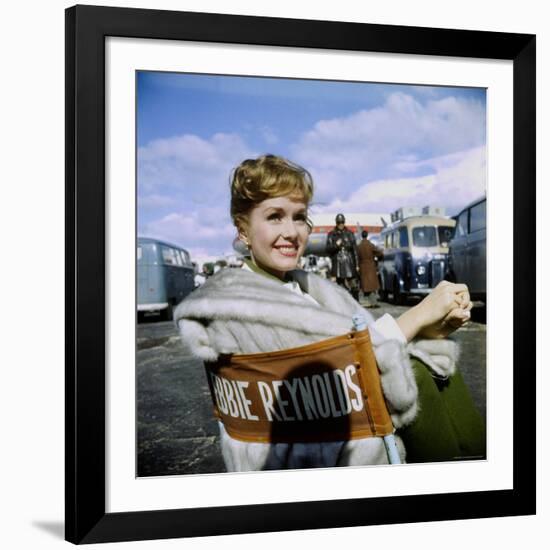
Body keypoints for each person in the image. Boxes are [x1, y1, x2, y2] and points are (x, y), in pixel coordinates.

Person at [174, 154, 484, 472]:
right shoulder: (241, 311)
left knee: (433, 358)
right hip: (328, 451)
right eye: (275, 217)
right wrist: (417, 317)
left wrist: (429, 329)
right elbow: (336, 378)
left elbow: (346, 350)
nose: (292, 232)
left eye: (299, 217)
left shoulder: (294, 287)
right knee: (420, 372)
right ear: (242, 229)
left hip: (336, 432)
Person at [326, 213, 360, 300]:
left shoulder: (350, 234)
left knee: (354, 284)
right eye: (339, 222)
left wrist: (357, 264)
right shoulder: (331, 234)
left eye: (342, 222)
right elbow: (328, 249)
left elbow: (355, 250)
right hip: (338, 262)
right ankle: (344, 303)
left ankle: (356, 302)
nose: (341, 224)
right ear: (336, 223)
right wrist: (336, 245)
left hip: (349, 261)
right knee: (340, 286)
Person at [357, 230, 384, 307]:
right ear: (367, 235)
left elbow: (357, 257)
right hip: (371, 266)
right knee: (371, 286)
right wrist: (379, 258)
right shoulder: (370, 245)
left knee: (365, 286)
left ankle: (369, 302)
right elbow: (379, 253)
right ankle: (373, 303)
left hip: (362, 267)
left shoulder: (359, 246)